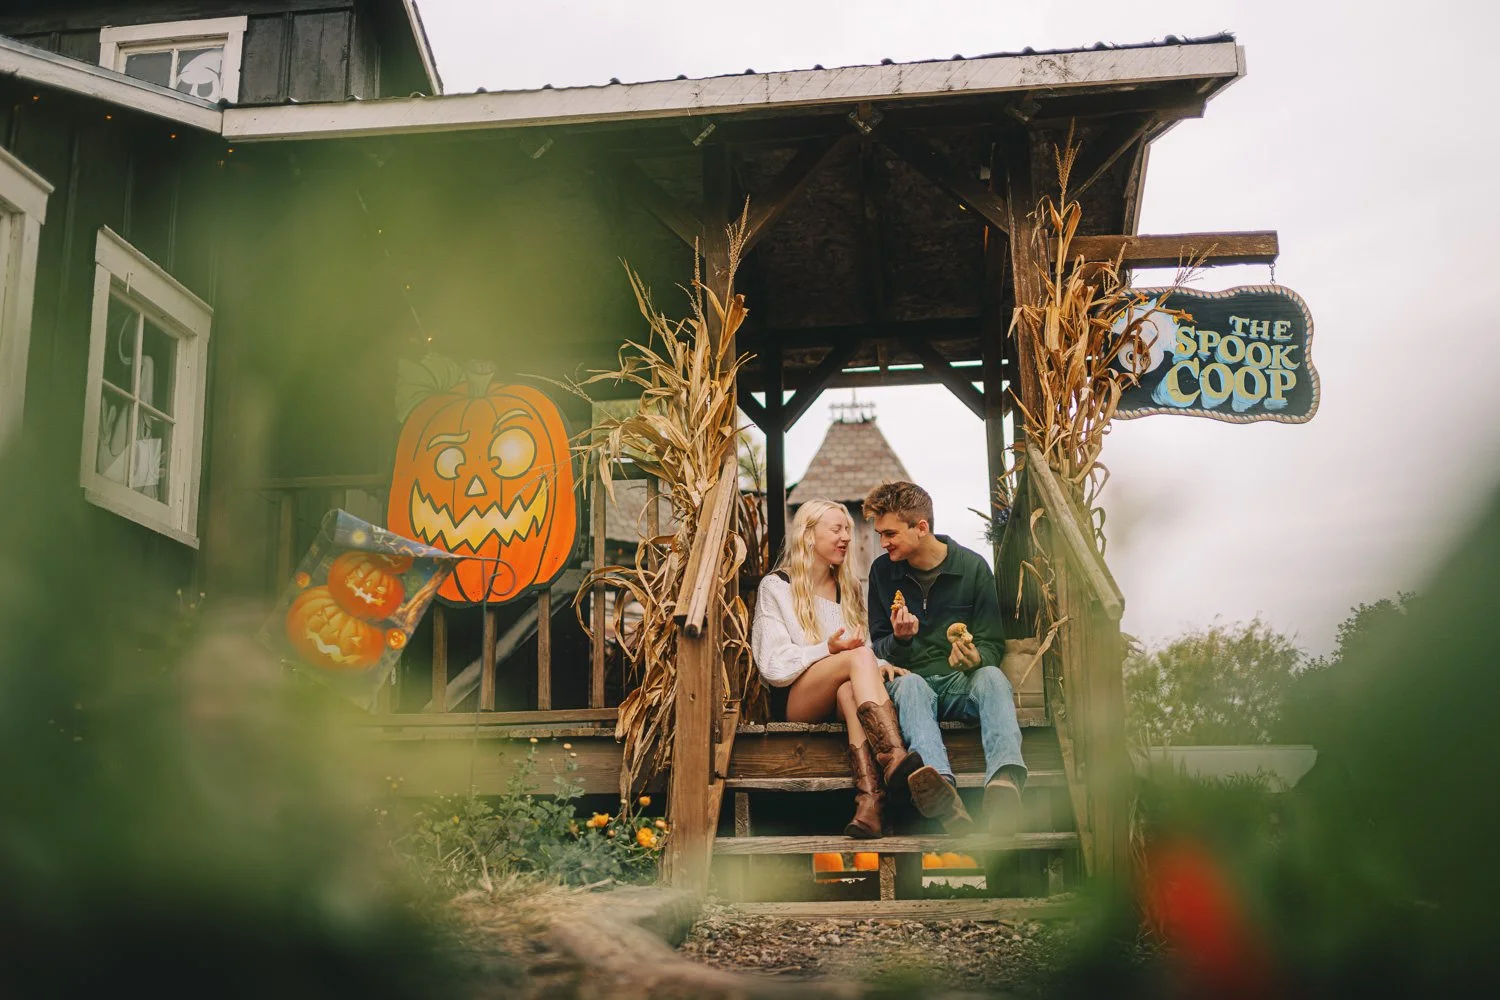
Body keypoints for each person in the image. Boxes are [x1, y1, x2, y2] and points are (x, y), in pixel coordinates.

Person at [862, 481, 1027, 835]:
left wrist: (975, 657)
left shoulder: (973, 568)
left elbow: (991, 644)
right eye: (880, 534)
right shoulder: (882, 572)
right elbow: (877, 647)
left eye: (890, 533)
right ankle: (940, 788)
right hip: (911, 681)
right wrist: (900, 640)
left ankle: (1004, 782)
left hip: (959, 683)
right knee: (911, 687)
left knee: (993, 677)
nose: (883, 542)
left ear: (921, 528)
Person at [750, 499, 921, 839]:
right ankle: (894, 760)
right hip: (799, 701)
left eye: (847, 529)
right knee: (855, 661)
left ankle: (870, 801)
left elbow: (864, 649)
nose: (846, 537)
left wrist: (885, 664)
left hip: (841, 695)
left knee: (848, 687)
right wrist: (827, 650)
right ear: (809, 535)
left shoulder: (848, 589)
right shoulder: (777, 586)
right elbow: (772, 663)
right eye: (836, 529)